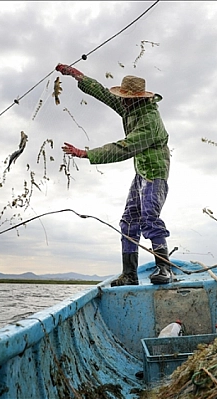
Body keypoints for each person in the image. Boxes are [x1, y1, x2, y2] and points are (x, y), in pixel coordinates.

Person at [55, 63, 172, 286]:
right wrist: (77, 76)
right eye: (123, 98)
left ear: (139, 98)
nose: (123, 102)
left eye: (126, 99)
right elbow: (102, 94)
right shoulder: (130, 108)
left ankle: (164, 268)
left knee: (149, 216)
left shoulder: (149, 122)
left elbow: (124, 148)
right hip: (141, 172)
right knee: (129, 220)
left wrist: (86, 153)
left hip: (155, 172)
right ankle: (129, 275)